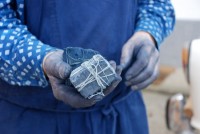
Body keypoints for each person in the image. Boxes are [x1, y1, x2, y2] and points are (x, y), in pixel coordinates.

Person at [0, 0, 175, 134]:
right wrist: (45, 60)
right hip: (33, 121)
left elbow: (157, 3)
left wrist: (148, 34)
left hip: (123, 116)